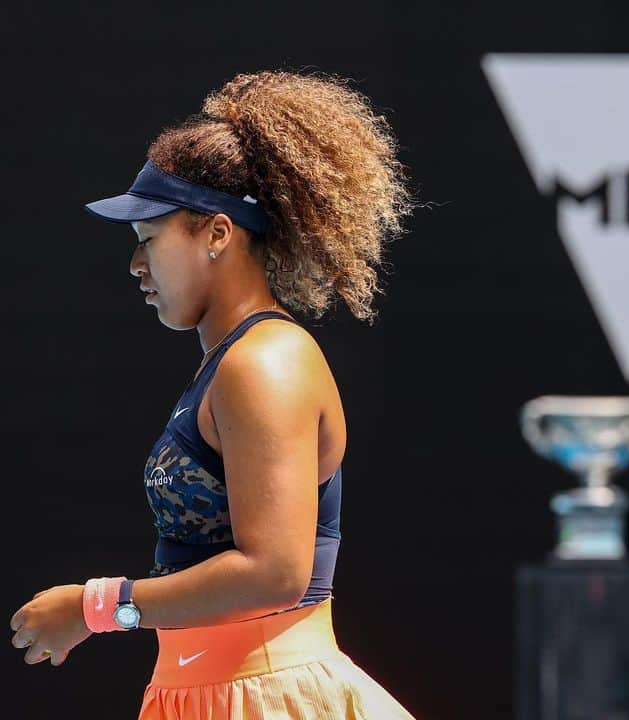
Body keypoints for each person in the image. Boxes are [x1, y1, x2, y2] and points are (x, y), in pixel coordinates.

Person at [8, 70, 415, 719]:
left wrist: (97, 606)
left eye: (149, 241)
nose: (136, 266)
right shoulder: (227, 367)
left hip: (270, 698)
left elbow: (276, 571)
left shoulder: (265, 363)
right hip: (205, 693)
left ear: (217, 234)